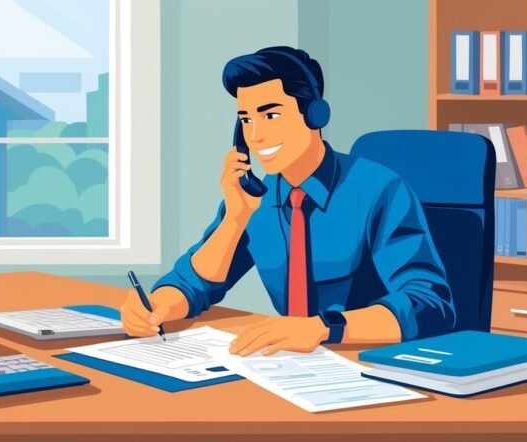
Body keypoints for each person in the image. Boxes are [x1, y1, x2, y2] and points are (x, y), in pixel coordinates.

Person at [120, 46, 455, 356]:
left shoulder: (378, 191)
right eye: (246, 120)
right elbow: (195, 285)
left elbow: (428, 303)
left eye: (270, 116)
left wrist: (323, 328)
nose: (255, 136)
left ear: (315, 114)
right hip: (289, 364)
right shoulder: (255, 199)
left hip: (372, 361)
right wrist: (157, 306)